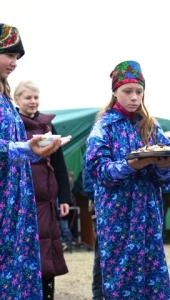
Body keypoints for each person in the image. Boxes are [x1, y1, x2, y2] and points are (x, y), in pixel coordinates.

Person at [84, 60, 170, 299]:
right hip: (117, 215)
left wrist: (164, 167)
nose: (134, 97)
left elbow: (168, 177)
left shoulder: (150, 126)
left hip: (147, 212)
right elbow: (97, 171)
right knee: (121, 272)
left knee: (152, 269)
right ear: (115, 91)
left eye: (139, 91)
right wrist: (130, 165)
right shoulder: (104, 126)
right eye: (128, 91)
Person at [0, 23, 62, 299]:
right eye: (9, 55)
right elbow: (12, 146)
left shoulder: (3, 97)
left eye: (17, 57)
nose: (14, 63)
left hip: (16, 201)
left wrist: (32, 148)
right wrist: (24, 149)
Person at [13, 80, 73, 299]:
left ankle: (48, 294)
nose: (33, 101)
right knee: (28, 251)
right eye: (28, 97)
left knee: (48, 249)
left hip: (47, 202)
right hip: (23, 201)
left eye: (36, 97)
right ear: (16, 100)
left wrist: (64, 197)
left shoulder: (48, 126)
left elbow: (59, 164)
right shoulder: (14, 124)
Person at [82, 164, 104, 300]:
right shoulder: (95, 143)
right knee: (101, 255)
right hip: (100, 208)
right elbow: (88, 183)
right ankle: (98, 295)